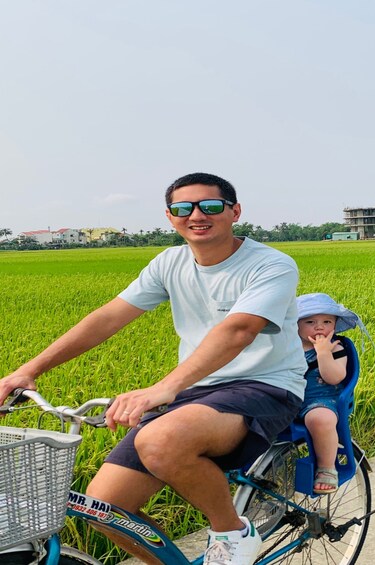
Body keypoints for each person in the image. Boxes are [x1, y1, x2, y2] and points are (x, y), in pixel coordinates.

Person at [0, 172, 307, 565]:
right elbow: (109, 317)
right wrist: (30, 369)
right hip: (199, 389)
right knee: (105, 506)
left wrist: (165, 388)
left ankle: (232, 533)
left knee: (159, 441)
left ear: (235, 212)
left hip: (265, 385)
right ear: (170, 216)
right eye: (184, 208)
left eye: (210, 206)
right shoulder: (170, 262)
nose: (197, 215)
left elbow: (239, 330)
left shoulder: (271, 265)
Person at [296, 293, 365, 494]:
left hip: (321, 400)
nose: (319, 327)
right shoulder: (288, 346)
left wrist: (323, 353)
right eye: (310, 321)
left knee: (320, 419)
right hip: (288, 397)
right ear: (296, 324)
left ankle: (327, 467)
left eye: (327, 321)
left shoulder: (336, 347)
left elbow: (334, 377)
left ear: (335, 324)